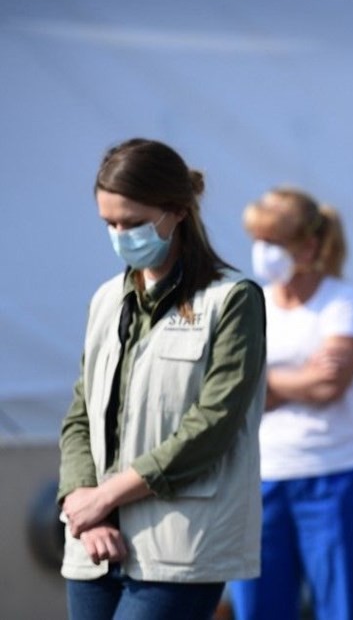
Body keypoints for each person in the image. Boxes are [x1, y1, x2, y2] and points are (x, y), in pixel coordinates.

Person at [58, 138, 267, 620]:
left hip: (179, 548)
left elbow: (213, 424)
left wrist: (107, 495)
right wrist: (84, 507)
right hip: (93, 546)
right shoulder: (106, 299)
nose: (120, 235)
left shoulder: (231, 299)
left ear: (176, 211)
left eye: (132, 222)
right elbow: (79, 416)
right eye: (109, 224)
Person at [229, 187, 353, 620]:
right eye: (259, 241)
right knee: (258, 608)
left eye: (274, 242)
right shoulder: (247, 302)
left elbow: (331, 383)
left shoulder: (342, 301)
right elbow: (232, 389)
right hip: (261, 478)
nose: (263, 252)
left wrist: (264, 380)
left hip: (335, 478)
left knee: (343, 608)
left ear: (309, 246)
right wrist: (299, 378)